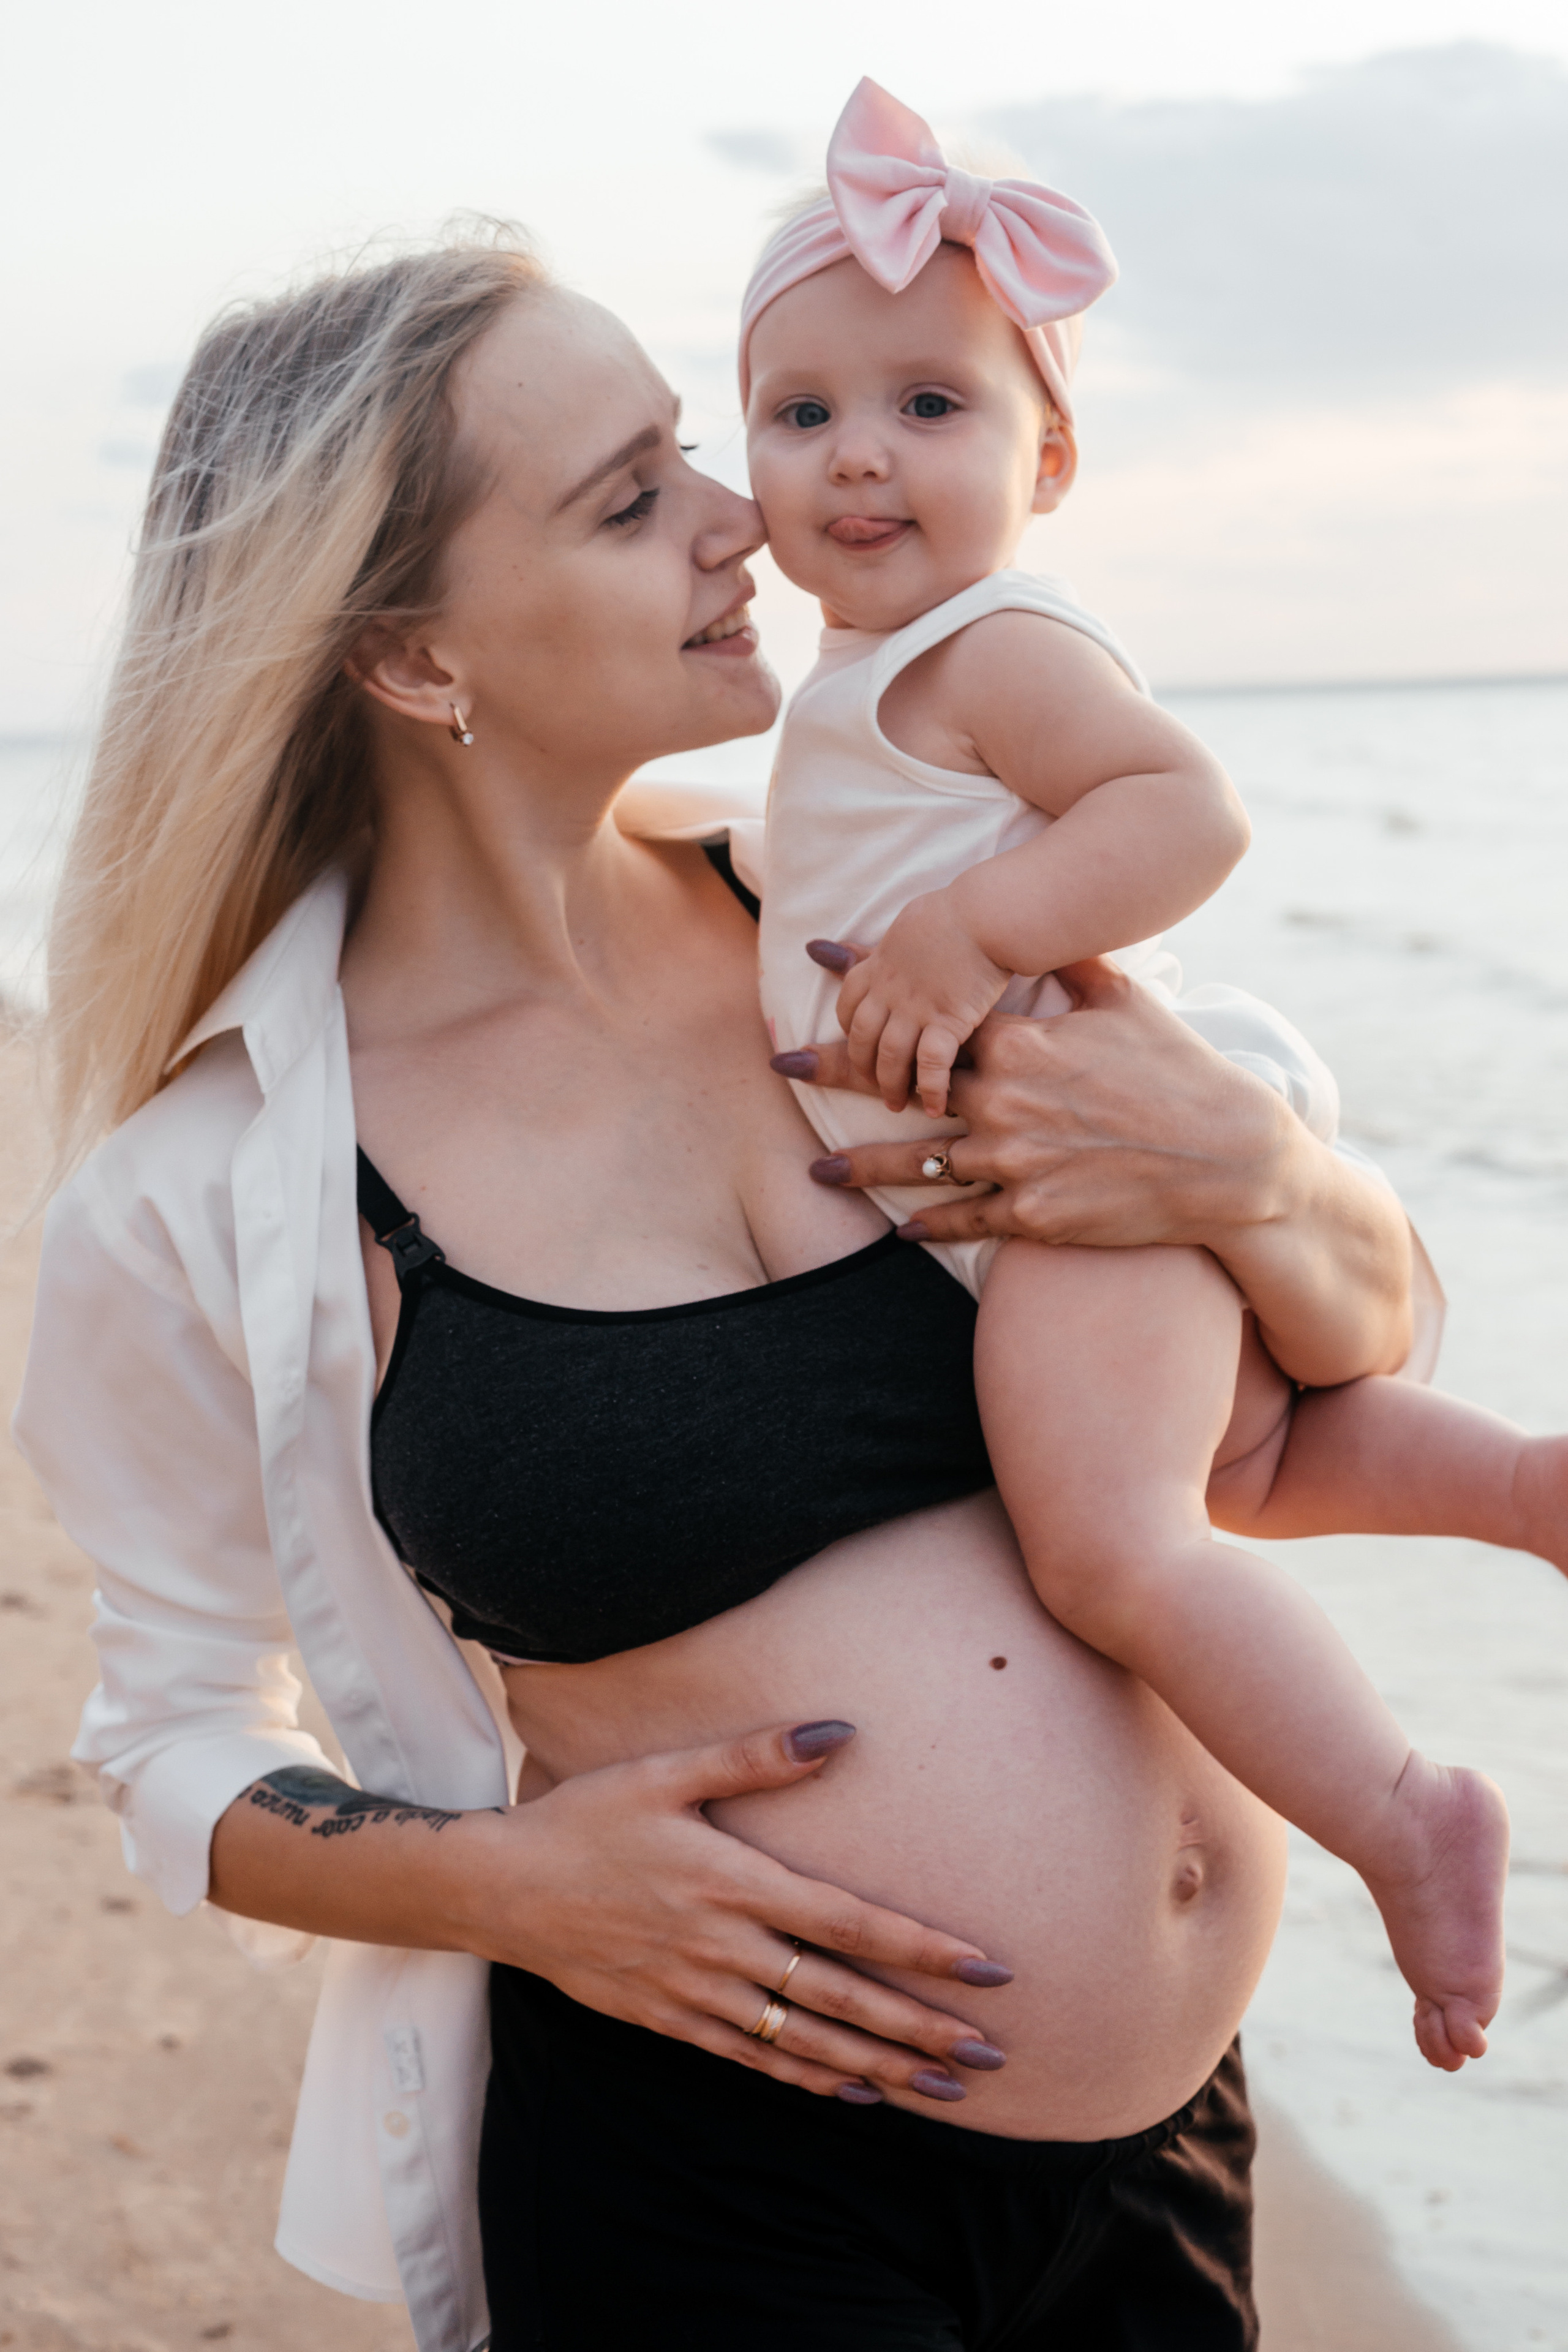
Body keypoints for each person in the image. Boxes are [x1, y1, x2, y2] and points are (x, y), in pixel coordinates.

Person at [15, 227, 1433, 2352]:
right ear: (413, 658)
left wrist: (1261, 1169)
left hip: (1165, 2163)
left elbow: (1343, 1349)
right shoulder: (224, 1188)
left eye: (692, 449)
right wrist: (512, 1890)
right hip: (725, 2191)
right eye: (626, 498)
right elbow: (171, 1751)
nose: (739, 518)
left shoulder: (881, 912)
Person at [747, 78, 1546, 2075]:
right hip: (1076, 1166)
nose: (861, 456)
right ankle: (1536, 1490)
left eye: (934, 406)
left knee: (1113, 1548)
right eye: (804, 410)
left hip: (1095, 1128)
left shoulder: (980, 647)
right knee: (1248, 1469)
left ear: (1056, 458)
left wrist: (975, 937)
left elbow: (1184, 811)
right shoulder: (875, 684)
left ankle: (1397, 1809)